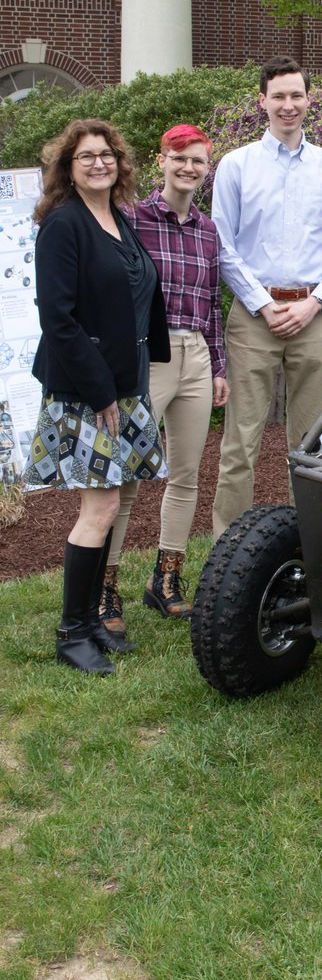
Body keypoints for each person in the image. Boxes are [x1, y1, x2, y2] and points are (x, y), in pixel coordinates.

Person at [22, 119, 170, 675]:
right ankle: (72, 633)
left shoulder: (118, 219)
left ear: (120, 163)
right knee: (101, 508)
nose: (98, 163)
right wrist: (101, 390)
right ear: (67, 167)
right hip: (89, 391)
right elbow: (57, 320)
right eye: (85, 157)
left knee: (108, 508)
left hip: (124, 387)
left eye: (106, 155)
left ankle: (89, 623)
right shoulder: (63, 225)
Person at [211, 57, 322, 539]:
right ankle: (228, 553)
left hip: (315, 315)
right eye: (278, 96)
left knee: (310, 441)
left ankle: (309, 550)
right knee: (240, 443)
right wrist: (263, 303)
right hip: (254, 317)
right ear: (262, 102)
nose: (288, 105)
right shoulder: (236, 166)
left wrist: (314, 303)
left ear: (309, 100)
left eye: (296, 95)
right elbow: (222, 244)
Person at [99, 125, 229, 641]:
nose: (189, 168)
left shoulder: (207, 229)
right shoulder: (131, 218)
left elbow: (214, 305)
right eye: (180, 158)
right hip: (146, 359)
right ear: (162, 160)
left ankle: (165, 578)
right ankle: (105, 587)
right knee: (126, 475)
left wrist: (218, 366)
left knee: (186, 473)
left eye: (198, 161)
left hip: (195, 355)